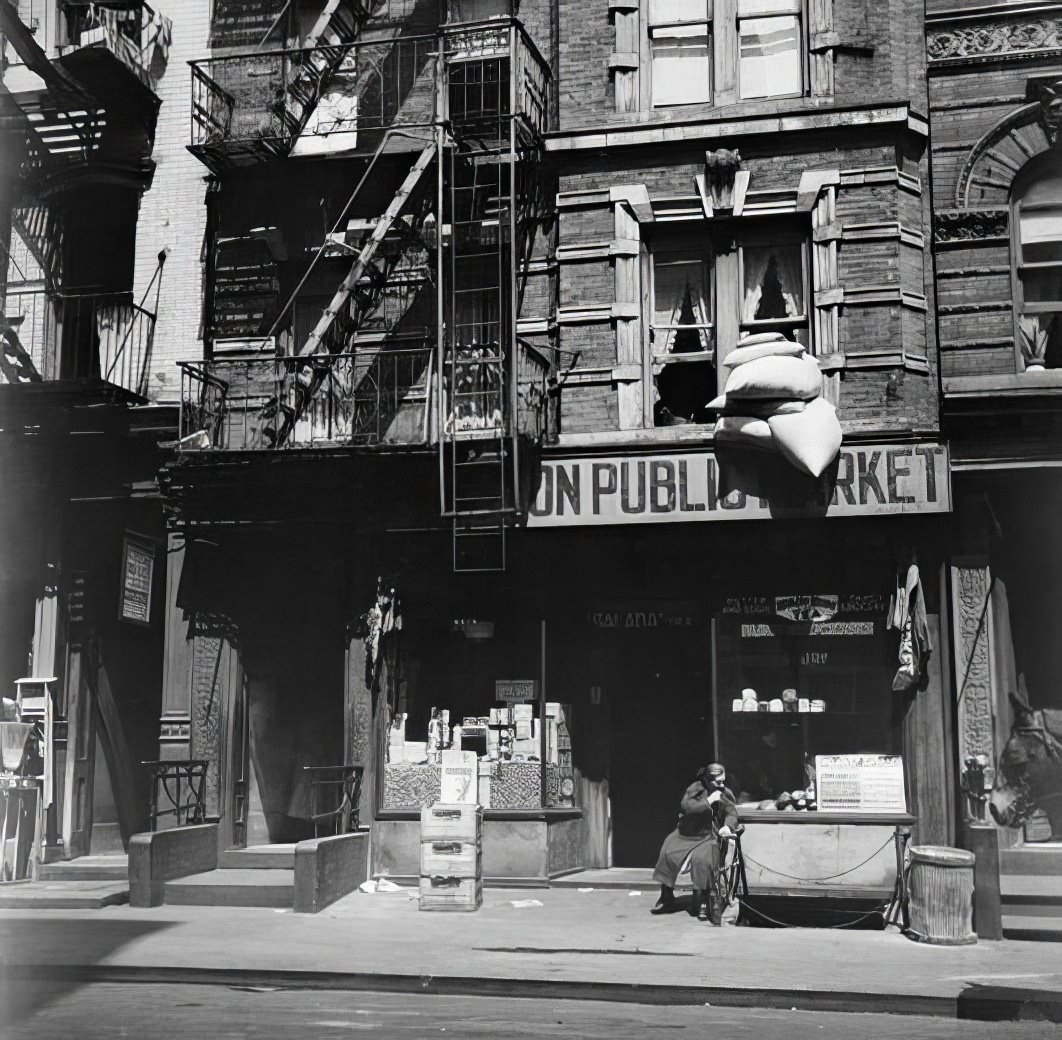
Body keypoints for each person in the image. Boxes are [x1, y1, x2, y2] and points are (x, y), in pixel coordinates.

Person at [650, 762, 738, 924]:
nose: (721, 784)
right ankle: (666, 894)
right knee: (668, 852)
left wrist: (727, 826)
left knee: (702, 859)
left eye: (723, 780)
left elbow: (731, 813)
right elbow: (687, 807)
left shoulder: (724, 793)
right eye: (717, 781)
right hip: (687, 833)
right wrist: (708, 802)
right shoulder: (695, 789)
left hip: (708, 835)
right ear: (706, 780)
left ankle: (702, 900)